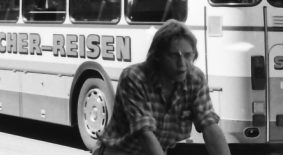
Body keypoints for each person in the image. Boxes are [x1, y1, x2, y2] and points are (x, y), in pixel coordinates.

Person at [95, 20, 229, 155]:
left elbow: (209, 124)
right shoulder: (134, 77)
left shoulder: (195, 78)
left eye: (188, 56)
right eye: (173, 56)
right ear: (158, 56)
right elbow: (144, 133)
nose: (182, 64)